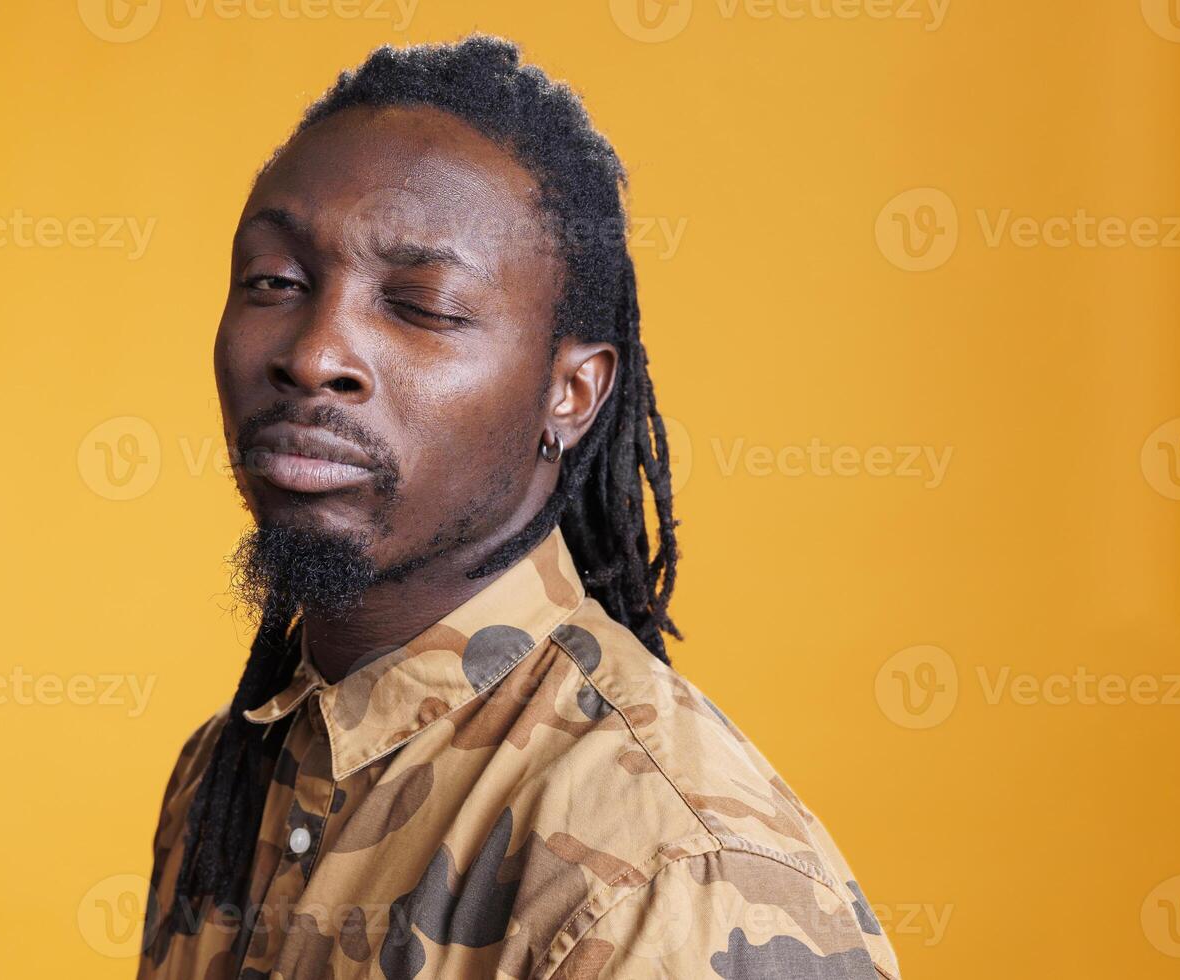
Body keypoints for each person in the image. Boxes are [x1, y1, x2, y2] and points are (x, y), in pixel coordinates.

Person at [138, 35, 900, 980]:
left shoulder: (672, 878)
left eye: (423, 305)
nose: (314, 352)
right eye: (276, 283)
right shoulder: (225, 777)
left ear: (569, 393)